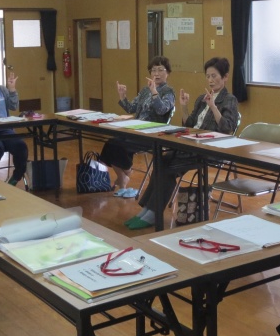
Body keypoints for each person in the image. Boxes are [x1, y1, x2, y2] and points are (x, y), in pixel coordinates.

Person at [124, 57, 239, 229]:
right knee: (161, 160)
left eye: (214, 76)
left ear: (225, 77)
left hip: (210, 150)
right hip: (191, 145)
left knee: (169, 168)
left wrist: (213, 107)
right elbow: (189, 125)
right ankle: (147, 210)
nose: (210, 80)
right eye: (208, 76)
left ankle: (153, 213)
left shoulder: (229, 100)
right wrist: (184, 106)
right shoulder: (202, 98)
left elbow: (227, 129)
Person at [100, 56, 175, 198]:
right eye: (153, 70)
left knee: (119, 146)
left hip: (151, 134)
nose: (156, 74)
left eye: (160, 70)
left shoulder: (168, 91)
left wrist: (154, 92)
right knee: (110, 143)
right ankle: (124, 176)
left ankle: (124, 177)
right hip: (135, 130)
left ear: (168, 73)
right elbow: (131, 109)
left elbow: (162, 110)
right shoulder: (145, 90)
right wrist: (122, 96)